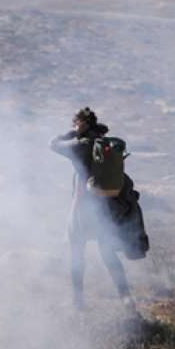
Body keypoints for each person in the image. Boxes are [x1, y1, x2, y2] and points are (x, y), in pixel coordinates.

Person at [50, 107, 135, 311]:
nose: (74, 126)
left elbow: (52, 144)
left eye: (76, 123)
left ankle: (78, 301)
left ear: (82, 123)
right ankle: (126, 297)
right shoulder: (104, 143)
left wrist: (74, 133)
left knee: (77, 253)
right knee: (108, 254)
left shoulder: (80, 145)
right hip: (106, 207)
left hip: (83, 206)